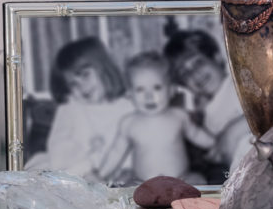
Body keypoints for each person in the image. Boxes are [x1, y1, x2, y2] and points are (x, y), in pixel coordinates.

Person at [98, 52, 214, 185]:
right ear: (130, 94)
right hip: (142, 183)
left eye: (157, 88)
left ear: (171, 90)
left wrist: (216, 145)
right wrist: (101, 175)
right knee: (126, 186)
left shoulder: (179, 116)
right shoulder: (129, 123)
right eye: (140, 89)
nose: (149, 96)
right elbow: (116, 152)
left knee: (198, 180)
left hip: (180, 179)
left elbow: (196, 134)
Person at [163, 30, 251, 182]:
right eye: (185, 73)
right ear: (183, 84)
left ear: (217, 58)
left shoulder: (239, 82)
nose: (194, 74)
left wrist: (233, 130)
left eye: (198, 62)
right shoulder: (206, 115)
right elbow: (218, 151)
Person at [44, 38, 134, 180]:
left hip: (123, 178)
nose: (82, 87)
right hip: (79, 176)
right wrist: (85, 167)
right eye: (73, 84)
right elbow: (58, 150)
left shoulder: (128, 107)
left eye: (86, 75)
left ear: (103, 68)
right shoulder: (70, 109)